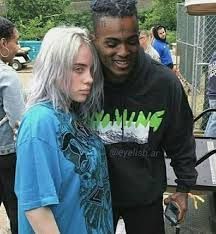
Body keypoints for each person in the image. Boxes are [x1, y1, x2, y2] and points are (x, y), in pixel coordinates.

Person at [90, 0, 198, 233]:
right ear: (93, 40)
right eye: (111, 43)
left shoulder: (163, 83)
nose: (123, 52)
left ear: (139, 36)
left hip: (145, 196)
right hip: (93, 196)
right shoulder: (82, 80)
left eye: (131, 42)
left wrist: (183, 188)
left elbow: (181, 138)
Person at [15, 26, 113, 234]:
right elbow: (37, 207)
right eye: (78, 69)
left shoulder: (71, 112)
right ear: (54, 68)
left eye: (90, 70)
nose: (89, 78)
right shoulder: (39, 122)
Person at [0, 16, 25, 234]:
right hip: (7, 155)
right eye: (15, 41)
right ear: (2, 44)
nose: (17, 46)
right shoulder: (6, 75)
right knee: (16, 206)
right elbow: (18, 121)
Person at [205, 51, 216, 137]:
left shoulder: (214, 54)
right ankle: (209, 142)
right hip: (214, 93)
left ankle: (206, 140)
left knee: (213, 117)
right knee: (215, 120)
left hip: (212, 92)